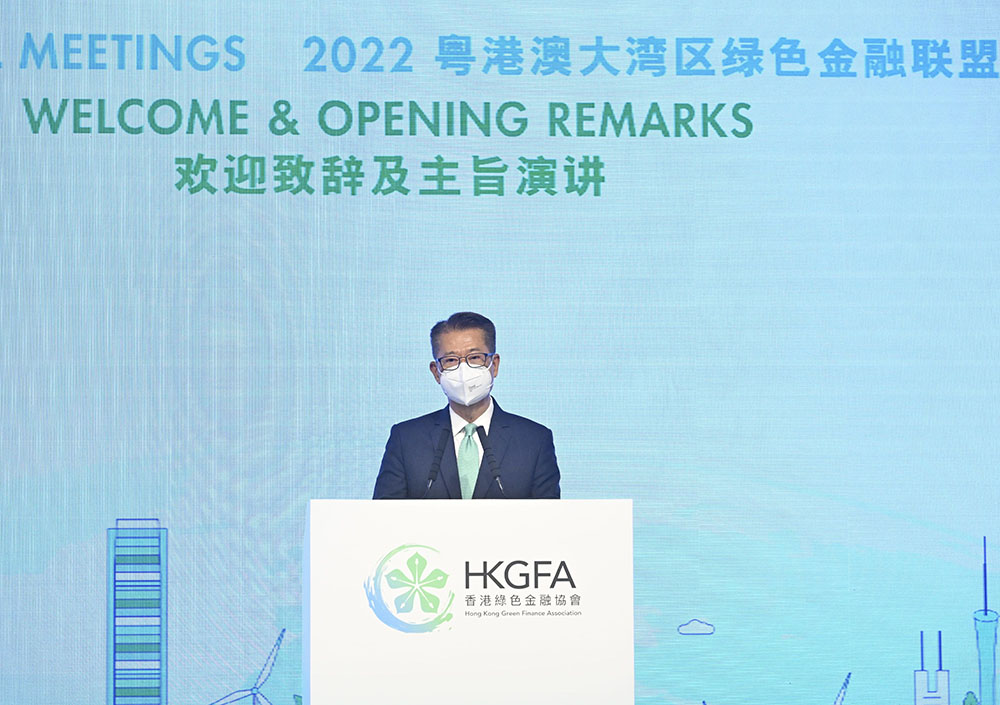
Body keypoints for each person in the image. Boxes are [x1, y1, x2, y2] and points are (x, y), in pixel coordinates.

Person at [373, 312, 560, 499]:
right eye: (451, 360)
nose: (464, 370)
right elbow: (383, 513)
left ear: (494, 365)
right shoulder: (406, 439)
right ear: (436, 372)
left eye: (475, 357)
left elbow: (549, 515)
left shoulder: (534, 441)